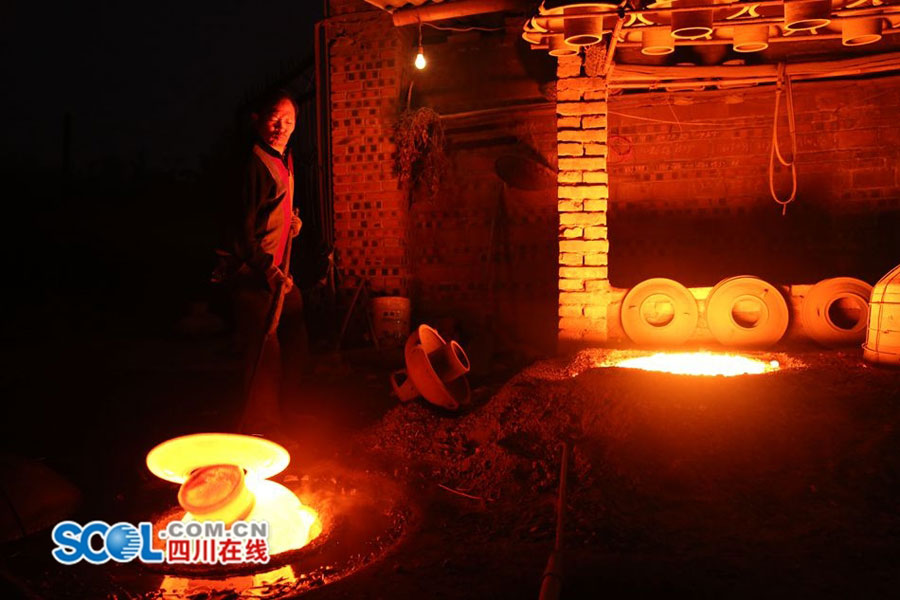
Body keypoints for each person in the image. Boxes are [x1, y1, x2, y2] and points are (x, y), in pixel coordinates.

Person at [217, 90, 308, 436]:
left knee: (296, 335)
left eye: (289, 120)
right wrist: (266, 270)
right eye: (274, 117)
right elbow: (241, 231)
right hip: (254, 273)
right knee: (264, 352)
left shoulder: (284, 158)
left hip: (279, 273)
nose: (281, 126)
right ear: (258, 119)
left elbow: (273, 208)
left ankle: (288, 410)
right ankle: (262, 429)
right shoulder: (253, 165)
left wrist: (290, 222)